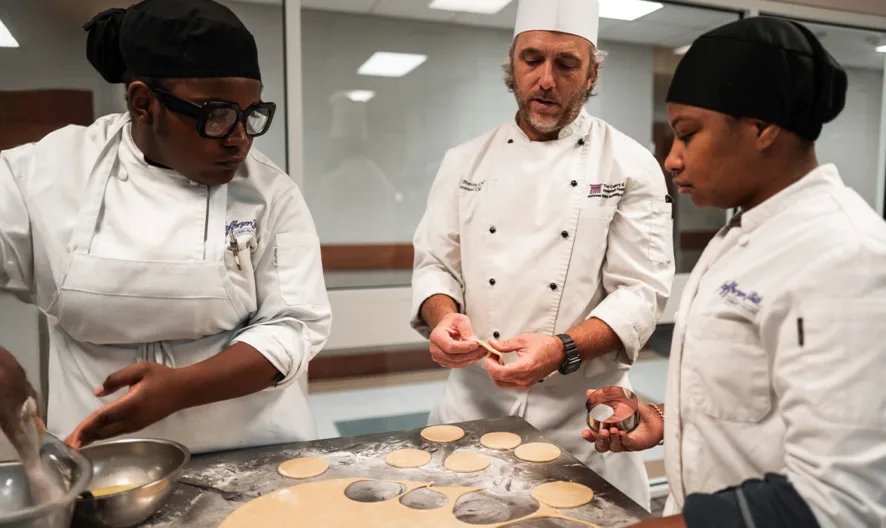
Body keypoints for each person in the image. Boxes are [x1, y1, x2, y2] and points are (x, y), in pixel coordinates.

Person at [585, 17, 886, 528]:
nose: (671, 160)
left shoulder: (845, 256)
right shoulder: (742, 234)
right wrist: (664, 421)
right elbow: (756, 408)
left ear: (761, 127)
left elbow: (841, 502)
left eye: (687, 135)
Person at [0, 0, 331, 454]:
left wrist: (182, 387)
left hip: (255, 453)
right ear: (143, 103)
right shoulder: (44, 175)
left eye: (251, 114)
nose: (239, 139)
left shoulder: (270, 193)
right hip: (106, 465)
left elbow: (294, 326)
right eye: (216, 115)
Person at [411, 0, 674, 508]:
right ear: (512, 66)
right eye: (531, 60)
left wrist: (561, 349)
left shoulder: (630, 164)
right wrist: (443, 318)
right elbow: (435, 265)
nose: (546, 80)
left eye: (567, 64)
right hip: (470, 415)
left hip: (584, 427)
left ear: (593, 72)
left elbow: (641, 292)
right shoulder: (464, 161)